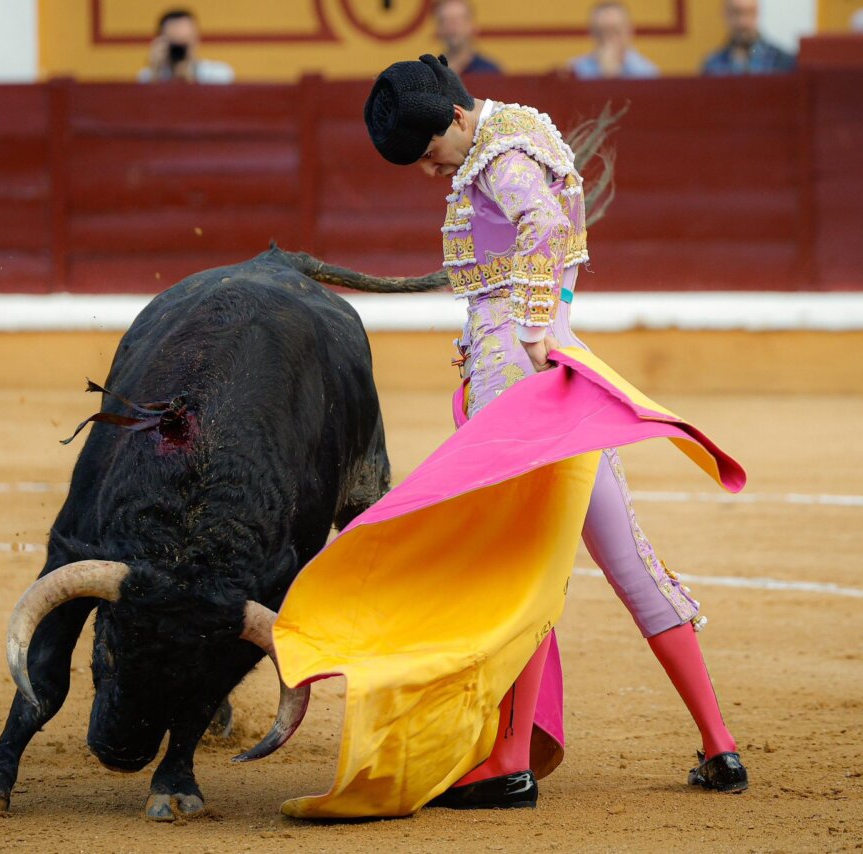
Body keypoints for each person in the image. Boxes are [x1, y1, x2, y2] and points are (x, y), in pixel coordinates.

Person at [263, 55, 748, 819]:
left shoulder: (499, 155)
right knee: (630, 563)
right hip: (561, 381)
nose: (431, 170)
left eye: (431, 152)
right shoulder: (523, 133)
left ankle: (511, 764)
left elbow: (544, 225)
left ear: (457, 117)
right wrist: (542, 328)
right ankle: (720, 748)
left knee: (517, 572)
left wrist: (525, 331)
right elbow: (555, 249)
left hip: (517, 391)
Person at [138, 8, 234, 84]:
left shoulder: (218, 74)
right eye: (175, 44)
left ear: (196, 40)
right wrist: (155, 72)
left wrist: (189, 75)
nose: (180, 49)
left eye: (185, 42)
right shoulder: (149, 76)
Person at [569, 1, 660, 80]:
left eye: (615, 31)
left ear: (629, 31)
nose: (608, 40)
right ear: (592, 33)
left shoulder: (647, 73)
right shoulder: (575, 71)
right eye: (601, 32)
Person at [701, 0, 794, 75]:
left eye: (749, 12)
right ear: (725, 14)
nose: (743, 22)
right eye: (736, 12)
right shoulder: (713, 65)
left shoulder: (781, 61)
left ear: (757, 13)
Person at [434, 0, 502, 76]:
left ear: (473, 26)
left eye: (458, 20)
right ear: (438, 29)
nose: (452, 26)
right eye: (445, 21)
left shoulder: (489, 72)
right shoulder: (430, 73)